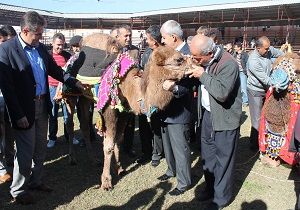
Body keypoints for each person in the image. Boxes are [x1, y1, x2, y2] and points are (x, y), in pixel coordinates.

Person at [0, 11, 84, 205]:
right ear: (26, 30)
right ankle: (18, 190)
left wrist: (72, 81)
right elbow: (8, 87)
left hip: (43, 104)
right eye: (38, 34)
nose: (40, 37)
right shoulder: (7, 49)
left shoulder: (39, 48)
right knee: (25, 151)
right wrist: (17, 114)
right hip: (23, 109)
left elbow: (55, 70)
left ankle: (36, 181)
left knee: (40, 149)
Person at [186, 34, 242, 209]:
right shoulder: (205, 61)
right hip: (209, 116)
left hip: (225, 119)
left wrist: (202, 75)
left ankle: (221, 198)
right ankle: (210, 188)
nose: (194, 59)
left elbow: (222, 93)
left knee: (223, 160)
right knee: (208, 157)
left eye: (197, 57)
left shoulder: (228, 63)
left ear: (209, 53)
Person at [157, 20, 194, 196]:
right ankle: (171, 170)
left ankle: (184, 181)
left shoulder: (188, 55)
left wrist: (171, 87)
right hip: (165, 108)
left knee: (180, 147)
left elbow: (187, 87)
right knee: (168, 144)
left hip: (180, 110)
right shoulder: (169, 52)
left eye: (164, 38)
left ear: (173, 37)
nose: (162, 41)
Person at [247, 36, 283, 150]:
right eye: (266, 49)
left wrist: (286, 58)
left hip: (266, 89)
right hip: (255, 91)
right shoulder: (253, 61)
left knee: (266, 116)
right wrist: (278, 84)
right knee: (257, 119)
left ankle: (264, 139)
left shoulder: (268, 50)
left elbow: (280, 54)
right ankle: (254, 144)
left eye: (269, 48)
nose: (269, 51)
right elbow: (265, 80)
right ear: (258, 48)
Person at [47, 33, 80, 148]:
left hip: (66, 90)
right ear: (52, 43)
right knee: (53, 114)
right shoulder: (48, 56)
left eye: (62, 45)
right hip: (52, 89)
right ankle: (52, 138)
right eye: (58, 45)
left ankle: (70, 136)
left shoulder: (67, 55)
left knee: (68, 114)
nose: (60, 47)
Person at [137, 25, 163, 167]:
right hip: (144, 94)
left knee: (156, 125)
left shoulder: (163, 53)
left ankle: (156, 154)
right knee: (143, 125)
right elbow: (142, 69)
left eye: (147, 38)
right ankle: (146, 152)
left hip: (157, 96)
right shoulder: (146, 52)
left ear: (154, 40)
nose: (146, 41)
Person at [116, 25, 140, 158]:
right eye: (125, 36)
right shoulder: (113, 50)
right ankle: (115, 146)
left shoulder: (135, 51)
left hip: (130, 93)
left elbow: (138, 68)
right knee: (115, 120)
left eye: (130, 35)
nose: (128, 38)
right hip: (116, 93)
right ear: (118, 37)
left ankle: (128, 146)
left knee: (130, 121)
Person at [0, 27, 11, 184]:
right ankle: (1, 168)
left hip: (8, 100)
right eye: (3, 42)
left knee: (9, 134)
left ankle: (9, 163)